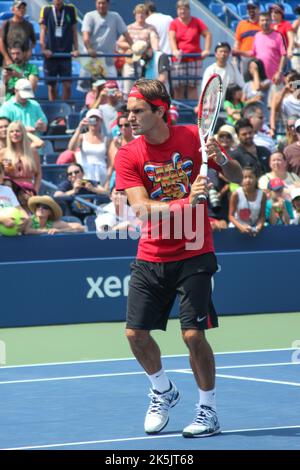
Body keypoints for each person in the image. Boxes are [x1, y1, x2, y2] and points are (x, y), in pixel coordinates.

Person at [114, 78, 242, 437]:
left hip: (195, 252)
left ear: (160, 112)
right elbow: (140, 208)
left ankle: (208, 411)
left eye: (137, 111)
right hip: (151, 253)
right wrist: (186, 202)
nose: (130, 118)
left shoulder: (192, 139)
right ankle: (162, 390)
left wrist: (220, 158)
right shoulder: (128, 153)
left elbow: (236, 176)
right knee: (135, 334)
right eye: (128, 111)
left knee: (192, 336)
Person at [169, 0, 211, 100]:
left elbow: (208, 34)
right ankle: (178, 111)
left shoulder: (196, 21)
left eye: (184, 9)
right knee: (178, 87)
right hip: (179, 59)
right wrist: (175, 50)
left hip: (194, 58)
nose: (182, 12)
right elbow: (172, 38)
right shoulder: (174, 23)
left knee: (193, 86)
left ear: (189, 10)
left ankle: (193, 112)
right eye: (180, 9)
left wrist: (206, 49)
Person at [39, 0, 79, 101]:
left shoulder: (71, 9)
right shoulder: (46, 10)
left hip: (66, 54)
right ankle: (54, 111)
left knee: (67, 85)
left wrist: (76, 49)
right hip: (50, 54)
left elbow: (74, 30)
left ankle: (63, 110)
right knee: (52, 86)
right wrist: (44, 49)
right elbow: (43, 31)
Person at [82, 0, 132, 78]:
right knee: (94, 86)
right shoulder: (89, 16)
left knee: (112, 88)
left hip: (109, 63)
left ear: (108, 4)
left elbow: (126, 34)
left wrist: (134, 48)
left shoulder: (115, 16)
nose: (101, 5)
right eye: (99, 3)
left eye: (103, 3)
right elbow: (85, 35)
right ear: (96, 3)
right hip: (93, 61)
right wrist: (89, 49)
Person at [117, 4, 159, 96]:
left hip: (145, 63)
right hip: (130, 62)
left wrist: (147, 49)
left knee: (144, 88)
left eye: (143, 13)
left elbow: (155, 44)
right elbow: (119, 42)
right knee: (128, 85)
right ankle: (127, 103)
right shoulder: (129, 28)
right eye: (138, 13)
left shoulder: (151, 28)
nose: (140, 15)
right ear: (135, 14)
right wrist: (133, 47)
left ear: (146, 15)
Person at [68, 108, 113, 190]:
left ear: (101, 121)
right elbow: (71, 148)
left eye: (97, 119)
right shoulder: (82, 137)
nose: (94, 122)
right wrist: (79, 128)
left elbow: (110, 164)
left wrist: (108, 180)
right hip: (85, 174)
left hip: (101, 174)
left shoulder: (107, 140)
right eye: (92, 119)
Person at [0, 120, 42, 193]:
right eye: (11, 131)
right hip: (10, 189)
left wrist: (35, 190)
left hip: (28, 190)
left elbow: (38, 174)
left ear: (23, 133)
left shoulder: (32, 152)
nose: (14, 134)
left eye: (17, 131)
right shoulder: (4, 153)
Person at [229, 166, 266, 236]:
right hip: (236, 228)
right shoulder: (236, 194)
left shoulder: (262, 195)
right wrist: (241, 227)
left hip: (255, 229)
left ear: (256, 179)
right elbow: (231, 216)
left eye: (250, 177)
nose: (248, 180)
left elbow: (262, 216)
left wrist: (259, 226)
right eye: (245, 177)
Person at [0, 1, 36, 66]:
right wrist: (6, 58)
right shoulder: (6, 24)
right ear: (13, 10)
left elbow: (33, 41)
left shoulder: (29, 25)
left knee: (24, 76)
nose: (21, 10)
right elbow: (1, 42)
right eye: (19, 8)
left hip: (24, 62)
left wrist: (30, 50)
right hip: (9, 61)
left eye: (23, 8)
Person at [233, 0, 261, 76]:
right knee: (245, 82)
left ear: (259, 9)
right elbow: (237, 42)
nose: (251, 10)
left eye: (253, 8)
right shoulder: (242, 24)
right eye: (249, 8)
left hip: (259, 58)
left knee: (261, 81)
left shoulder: (263, 23)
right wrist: (234, 59)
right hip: (244, 58)